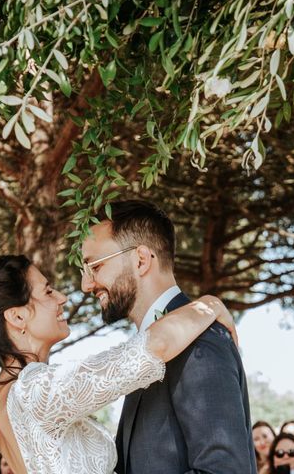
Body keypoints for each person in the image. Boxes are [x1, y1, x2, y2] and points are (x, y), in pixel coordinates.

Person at [0, 254, 238, 474]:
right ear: (17, 317)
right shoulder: (33, 390)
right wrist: (210, 304)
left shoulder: (5, 396)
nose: (61, 298)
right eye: (47, 291)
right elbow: (153, 347)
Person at [81, 200, 255, 474]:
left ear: (141, 259)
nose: (86, 284)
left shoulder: (201, 341)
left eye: (95, 266)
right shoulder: (144, 351)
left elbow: (224, 470)